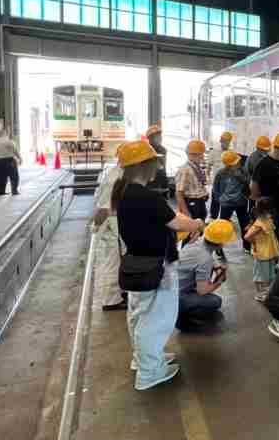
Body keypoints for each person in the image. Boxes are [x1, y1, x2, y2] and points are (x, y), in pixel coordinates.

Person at [113, 140, 204, 391]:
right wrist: (196, 224)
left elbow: (165, 221)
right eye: (154, 161)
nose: (157, 166)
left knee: (140, 315)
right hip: (156, 266)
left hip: (138, 262)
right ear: (144, 165)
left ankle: (143, 359)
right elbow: (176, 223)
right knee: (157, 319)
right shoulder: (145, 196)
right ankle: (150, 372)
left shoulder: (124, 191)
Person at [177, 219, 233, 330]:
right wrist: (219, 281)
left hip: (171, 286)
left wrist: (216, 266)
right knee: (215, 301)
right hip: (177, 296)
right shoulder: (205, 259)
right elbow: (202, 290)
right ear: (221, 243)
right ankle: (182, 317)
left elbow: (207, 256)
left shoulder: (197, 241)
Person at [92, 151, 126, 310]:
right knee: (113, 261)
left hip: (115, 222)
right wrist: (96, 226)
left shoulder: (120, 173)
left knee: (119, 260)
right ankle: (111, 300)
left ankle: (119, 292)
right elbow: (103, 208)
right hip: (111, 223)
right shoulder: (116, 178)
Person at [251, 132, 279, 243]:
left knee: (277, 232)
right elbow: (253, 184)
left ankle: (276, 243)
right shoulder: (263, 163)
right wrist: (258, 200)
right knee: (266, 236)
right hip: (268, 207)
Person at [213, 150, 250, 256]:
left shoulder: (242, 171)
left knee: (245, 224)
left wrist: (240, 177)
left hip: (241, 202)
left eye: (238, 162)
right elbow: (216, 189)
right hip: (226, 204)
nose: (238, 163)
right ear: (228, 165)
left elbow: (248, 182)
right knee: (222, 226)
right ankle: (218, 248)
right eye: (236, 162)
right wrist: (221, 199)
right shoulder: (220, 173)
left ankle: (247, 246)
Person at [244, 199, 279, 302]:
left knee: (270, 274)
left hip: (270, 252)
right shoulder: (258, 224)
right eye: (269, 211)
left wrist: (276, 251)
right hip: (262, 254)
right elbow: (247, 237)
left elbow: (272, 237)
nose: (270, 213)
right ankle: (261, 294)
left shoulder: (268, 220)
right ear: (263, 211)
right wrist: (255, 244)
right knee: (261, 275)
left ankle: (267, 292)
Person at [175, 140, 209, 223]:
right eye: (201, 154)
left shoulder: (197, 167)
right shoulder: (185, 169)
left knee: (200, 226)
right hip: (191, 203)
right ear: (193, 154)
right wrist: (186, 213)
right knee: (192, 231)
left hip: (200, 202)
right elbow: (179, 193)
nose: (203, 156)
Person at [208, 131, 233, 220]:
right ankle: (213, 217)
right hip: (216, 182)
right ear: (221, 141)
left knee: (226, 201)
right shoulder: (214, 151)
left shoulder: (231, 152)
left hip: (227, 182)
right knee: (215, 200)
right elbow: (209, 165)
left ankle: (225, 218)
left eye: (228, 142)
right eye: (225, 141)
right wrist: (208, 178)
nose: (226, 143)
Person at [0, 127, 21, 195]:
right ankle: (14, 190)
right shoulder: (9, 141)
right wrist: (20, 158)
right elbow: (15, 150)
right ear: (3, 133)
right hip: (9, 160)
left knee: (0, 177)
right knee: (14, 177)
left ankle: (0, 191)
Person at [145, 125, 168, 190]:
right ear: (149, 138)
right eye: (156, 136)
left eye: (160, 136)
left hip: (161, 179)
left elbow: (163, 167)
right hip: (150, 182)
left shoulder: (163, 149)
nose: (159, 138)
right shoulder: (146, 150)